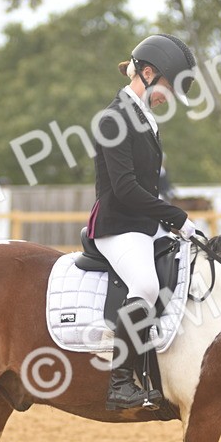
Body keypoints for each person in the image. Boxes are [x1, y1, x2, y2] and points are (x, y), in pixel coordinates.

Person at [87, 33, 198, 411]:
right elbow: (125, 189)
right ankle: (120, 382)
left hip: (144, 224)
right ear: (148, 74)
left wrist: (169, 222)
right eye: (169, 87)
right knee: (147, 285)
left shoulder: (144, 116)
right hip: (118, 225)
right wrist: (176, 216)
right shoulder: (113, 118)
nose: (170, 97)